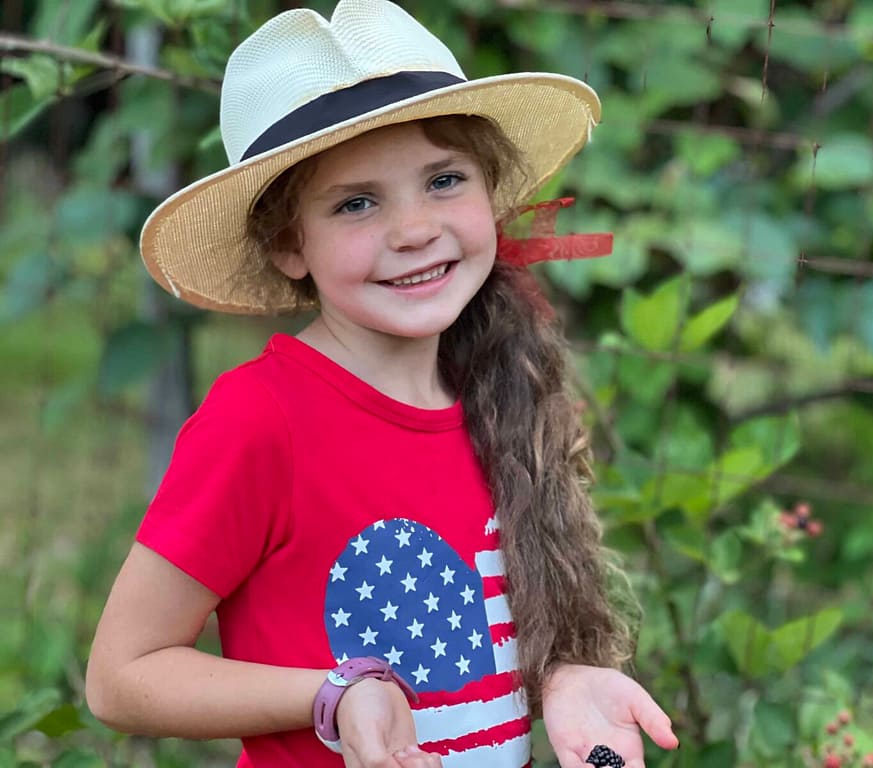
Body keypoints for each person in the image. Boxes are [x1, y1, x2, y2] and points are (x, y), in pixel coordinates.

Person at [85, 2, 679, 767]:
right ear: (288, 242)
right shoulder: (262, 420)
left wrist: (561, 675)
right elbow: (119, 677)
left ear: (490, 193)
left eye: (443, 180)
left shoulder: (501, 390)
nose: (414, 229)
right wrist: (334, 693)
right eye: (357, 202)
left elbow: (480, 655)